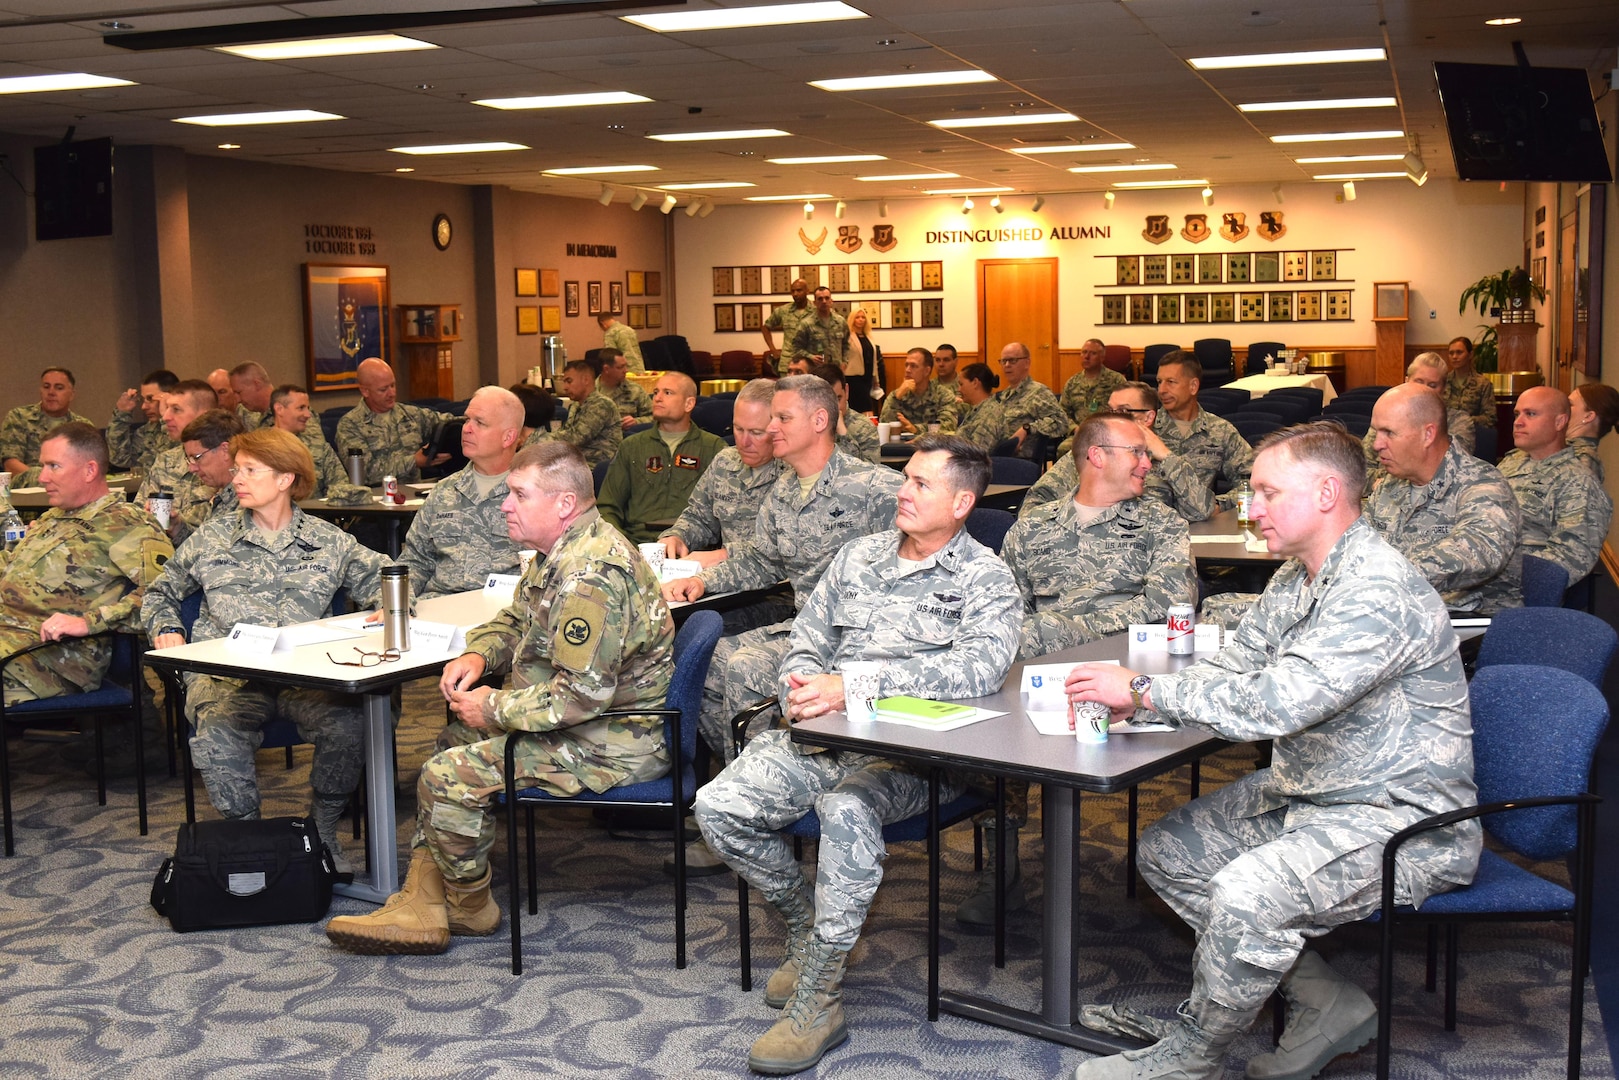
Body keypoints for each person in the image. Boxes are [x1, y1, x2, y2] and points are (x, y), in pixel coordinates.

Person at [1064, 421, 1479, 1080]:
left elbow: (1278, 701)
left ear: (1323, 493)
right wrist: (1138, 697)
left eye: (1264, 492)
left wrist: (1141, 689)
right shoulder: (1297, 577)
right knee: (1169, 852)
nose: (1248, 508)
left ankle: (1189, 1057)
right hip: (1310, 790)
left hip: (1397, 816)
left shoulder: (1375, 588)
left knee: (1245, 893)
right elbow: (1238, 668)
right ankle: (1325, 1001)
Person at [694, 436, 1022, 1075]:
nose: (903, 490)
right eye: (905, 478)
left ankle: (820, 996)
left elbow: (979, 671)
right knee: (717, 807)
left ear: (961, 502)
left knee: (846, 810)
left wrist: (857, 684)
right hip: (822, 736)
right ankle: (808, 933)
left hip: (915, 759)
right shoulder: (857, 556)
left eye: (922, 484)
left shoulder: (986, 577)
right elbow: (806, 641)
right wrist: (800, 686)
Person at [324, 441, 674, 954]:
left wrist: (491, 705)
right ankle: (424, 896)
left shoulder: (591, 575)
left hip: (611, 742)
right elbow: (516, 621)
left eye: (518, 494)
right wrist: (480, 657)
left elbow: (580, 697)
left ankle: (468, 907)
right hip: (583, 723)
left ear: (563, 505)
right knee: (453, 739)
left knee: (448, 774)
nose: (504, 504)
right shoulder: (561, 553)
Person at [967, 412, 1195, 927]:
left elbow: (1167, 608)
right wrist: (1031, 645)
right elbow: (1004, 613)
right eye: (1137, 451)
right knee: (986, 721)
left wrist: (1053, 634)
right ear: (1097, 456)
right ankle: (1001, 869)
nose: (1148, 461)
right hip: (1036, 673)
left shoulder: (1160, 524)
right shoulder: (1033, 530)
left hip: (1125, 673)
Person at [143, 428, 392, 868]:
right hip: (228, 679)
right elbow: (159, 592)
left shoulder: (329, 541)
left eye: (250, 470)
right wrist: (167, 628)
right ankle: (251, 838)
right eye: (236, 469)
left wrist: (390, 608)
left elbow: (392, 579)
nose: (237, 478)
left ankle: (322, 830)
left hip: (306, 677)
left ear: (285, 479)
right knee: (217, 732)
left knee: (351, 724)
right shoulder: (210, 539)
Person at [663, 374, 902, 765]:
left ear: (820, 421)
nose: (772, 428)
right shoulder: (784, 492)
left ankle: (773, 778)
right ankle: (756, 771)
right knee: (697, 662)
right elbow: (760, 561)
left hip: (860, 641)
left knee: (743, 668)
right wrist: (698, 581)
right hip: (803, 628)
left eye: (783, 418)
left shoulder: (877, 489)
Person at [0, 423, 171, 705]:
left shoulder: (126, 523)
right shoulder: (51, 518)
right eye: (42, 466)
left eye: (53, 466)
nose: (42, 477)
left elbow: (164, 595)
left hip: (52, 656)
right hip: (13, 638)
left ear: (89, 470)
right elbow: (12, 568)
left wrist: (87, 622)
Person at [1365, 383, 1522, 614]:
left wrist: (1387, 575)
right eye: (1376, 432)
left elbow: (1479, 551)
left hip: (1467, 626)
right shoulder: (1390, 485)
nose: (1377, 445)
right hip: (1397, 614)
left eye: (1389, 433)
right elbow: (1360, 542)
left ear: (1427, 434)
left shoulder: (1483, 485)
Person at [398, 386, 528, 599]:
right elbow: (415, 560)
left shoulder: (532, 494)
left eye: (480, 423)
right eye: (467, 420)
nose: (466, 428)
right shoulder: (445, 491)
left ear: (508, 437)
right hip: (438, 609)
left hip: (502, 613)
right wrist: (398, 605)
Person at [1022, 384, 1215, 523]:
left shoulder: (1166, 463)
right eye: (1110, 410)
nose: (1112, 418)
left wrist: (1166, 456)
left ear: (1149, 417)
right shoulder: (1090, 455)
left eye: (1123, 411)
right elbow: (1032, 507)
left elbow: (1201, 511)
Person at [1497, 386, 1612, 584]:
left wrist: (1497, 575)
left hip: (1511, 588)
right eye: (1517, 414)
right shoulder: (1513, 461)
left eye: (1530, 414)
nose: (1518, 422)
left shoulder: (1578, 481)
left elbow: (1569, 559)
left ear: (1559, 422)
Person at [598, 372, 727, 544]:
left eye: (667, 393)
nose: (657, 398)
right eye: (656, 392)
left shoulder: (713, 448)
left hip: (692, 549)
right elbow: (608, 507)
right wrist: (622, 545)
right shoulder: (631, 446)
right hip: (637, 544)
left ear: (689, 403)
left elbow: (724, 511)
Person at [335, 357, 455, 484]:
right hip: (375, 497)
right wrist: (414, 461)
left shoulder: (410, 414)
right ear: (365, 391)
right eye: (383, 389)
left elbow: (448, 423)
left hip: (413, 495)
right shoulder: (350, 425)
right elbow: (366, 473)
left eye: (392, 385)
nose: (391, 393)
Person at [1362, 352, 1476, 485]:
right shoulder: (1388, 420)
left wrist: (1388, 482)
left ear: (1444, 389)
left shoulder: (1459, 422)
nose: (1423, 389)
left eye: (1432, 385)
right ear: (1406, 381)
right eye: (1418, 382)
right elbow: (1358, 472)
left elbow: (1443, 470)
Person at [1154, 352, 1254, 492]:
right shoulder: (1147, 427)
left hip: (1203, 513)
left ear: (1193, 386)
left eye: (1171, 382)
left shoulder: (1219, 430)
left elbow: (1252, 480)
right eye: (1159, 382)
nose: (1162, 390)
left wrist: (1220, 505)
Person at [134, 379, 219, 512]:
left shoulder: (224, 460)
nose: (166, 416)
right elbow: (140, 515)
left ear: (205, 415)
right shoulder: (166, 461)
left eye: (176, 409)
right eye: (167, 408)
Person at [525, 356, 623, 469]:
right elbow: (566, 433)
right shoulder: (576, 405)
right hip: (576, 462)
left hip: (597, 466)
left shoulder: (601, 405)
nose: (565, 387)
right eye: (564, 382)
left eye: (569, 381)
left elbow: (575, 438)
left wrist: (535, 438)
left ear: (585, 380)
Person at [0, 367, 92, 482]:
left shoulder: (82, 427)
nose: (51, 392)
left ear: (72, 394)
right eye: (46, 387)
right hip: (28, 492)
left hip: (70, 493)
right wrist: (48, 480)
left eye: (59, 388)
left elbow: (90, 468)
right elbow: (11, 465)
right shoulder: (19, 417)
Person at [170, 409, 246, 545]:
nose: (192, 468)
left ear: (225, 450)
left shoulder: (249, 497)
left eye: (197, 457)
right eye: (189, 459)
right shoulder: (221, 494)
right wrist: (177, 528)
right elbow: (205, 543)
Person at [269, 383, 355, 499]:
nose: (308, 415)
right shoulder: (260, 448)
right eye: (301, 408)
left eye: (308, 408)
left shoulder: (319, 446)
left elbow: (341, 486)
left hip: (316, 514)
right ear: (279, 409)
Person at [991, 341, 1069, 459]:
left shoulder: (1038, 392)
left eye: (1012, 360)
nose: (1007, 365)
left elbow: (1061, 422)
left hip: (1019, 460)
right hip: (998, 455)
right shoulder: (1004, 395)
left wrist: (1027, 429)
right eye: (1003, 361)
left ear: (1027, 363)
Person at [106, 368, 179, 473]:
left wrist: (166, 417)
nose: (144, 407)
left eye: (150, 399)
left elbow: (172, 460)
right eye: (143, 399)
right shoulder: (148, 430)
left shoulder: (187, 429)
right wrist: (121, 416)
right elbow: (120, 458)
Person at [808, 362, 879, 464]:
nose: (831, 408)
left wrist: (842, 433)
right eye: (824, 402)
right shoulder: (803, 426)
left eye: (837, 399)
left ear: (846, 391)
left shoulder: (864, 428)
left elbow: (867, 474)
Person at [879, 347, 959, 435]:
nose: (907, 370)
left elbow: (948, 426)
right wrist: (896, 398)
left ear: (927, 371)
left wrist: (916, 429)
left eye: (913, 366)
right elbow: (884, 425)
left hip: (932, 446)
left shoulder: (943, 395)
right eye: (906, 365)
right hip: (901, 446)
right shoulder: (897, 394)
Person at [788, 287, 851, 381]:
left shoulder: (840, 322)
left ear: (831, 301)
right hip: (816, 373)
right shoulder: (806, 324)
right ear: (815, 303)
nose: (824, 301)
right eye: (820, 299)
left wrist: (845, 362)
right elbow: (796, 349)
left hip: (836, 372)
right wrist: (810, 357)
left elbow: (846, 345)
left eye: (827, 298)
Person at [1060, 338, 1128, 426]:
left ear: (1102, 357)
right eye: (1084, 352)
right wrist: (1074, 428)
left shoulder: (1117, 380)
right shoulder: (1072, 383)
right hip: (1079, 433)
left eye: (1093, 353)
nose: (1087, 357)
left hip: (1108, 432)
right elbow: (1062, 413)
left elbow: (1125, 410)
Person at [1568, 382, 1619, 481]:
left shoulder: (1584, 461)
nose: (1563, 408)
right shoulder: (1562, 447)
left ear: (1588, 416)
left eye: (1570, 404)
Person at [763, 278, 814, 375]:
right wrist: (773, 349)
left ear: (807, 291)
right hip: (788, 363)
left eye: (799, 290)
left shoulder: (816, 311)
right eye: (793, 291)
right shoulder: (783, 311)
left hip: (810, 363)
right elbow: (766, 327)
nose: (795, 294)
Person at [1443, 336, 1496, 430]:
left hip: (1472, 434)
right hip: (1445, 432)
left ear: (1470, 355)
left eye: (1459, 352)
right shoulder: (1443, 381)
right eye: (1451, 353)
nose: (1454, 356)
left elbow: (1490, 418)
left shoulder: (1483, 384)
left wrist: (1466, 420)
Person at [952, 363, 1005, 450]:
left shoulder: (989, 415)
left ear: (975, 383)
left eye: (961, 384)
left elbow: (977, 454)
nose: (959, 389)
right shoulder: (978, 410)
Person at [597, 347, 653, 429]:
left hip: (629, 436)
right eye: (620, 367)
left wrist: (636, 421)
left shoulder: (635, 390)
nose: (626, 370)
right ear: (606, 369)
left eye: (625, 366)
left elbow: (655, 417)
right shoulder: (590, 392)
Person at [842, 306, 884, 413]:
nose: (860, 320)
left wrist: (876, 380)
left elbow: (874, 360)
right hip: (853, 378)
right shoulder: (848, 337)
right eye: (857, 317)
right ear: (852, 319)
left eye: (863, 317)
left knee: (868, 406)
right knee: (859, 407)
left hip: (867, 377)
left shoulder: (868, 337)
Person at [228, 361, 275, 427]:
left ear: (257, 384)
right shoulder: (259, 416)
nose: (238, 400)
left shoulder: (284, 414)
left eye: (239, 392)